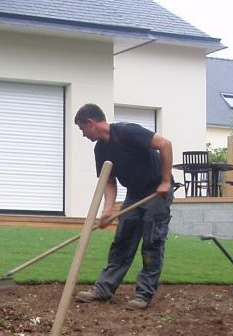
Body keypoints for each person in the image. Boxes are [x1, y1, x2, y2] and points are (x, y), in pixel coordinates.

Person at [72, 103, 174, 310]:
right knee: (122, 242)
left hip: (156, 192)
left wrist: (165, 181)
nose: (83, 135)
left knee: (152, 244)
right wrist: (108, 210)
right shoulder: (100, 149)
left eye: (82, 129)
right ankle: (103, 289)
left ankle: (143, 294)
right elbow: (108, 181)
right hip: (135, 194)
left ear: (90, 122)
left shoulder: (127, 132)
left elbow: (165, 144)